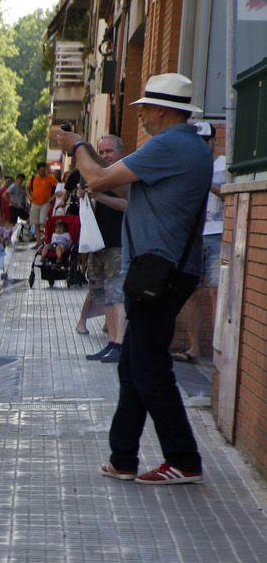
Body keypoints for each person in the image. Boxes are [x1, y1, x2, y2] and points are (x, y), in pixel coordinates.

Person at [52, 72, 212, 485]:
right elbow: (122, 186)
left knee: (149, 369)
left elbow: (99, 177)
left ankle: (184, 459)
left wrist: (78, 147)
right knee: (134, 365)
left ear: (160, 110)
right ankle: (123, 456)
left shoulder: (170, 144)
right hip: (163, 270)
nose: (141, 116)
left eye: (144, 109)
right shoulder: (185, 146)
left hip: (159, 273)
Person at [173, 121, 226, 363]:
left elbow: (228, 193)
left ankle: (218, 351)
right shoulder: (188, 165)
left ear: (214, 141)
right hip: (192, 235)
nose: (203, 146)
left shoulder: (224, 164)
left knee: (216, 293)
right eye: (199, 142)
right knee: (191, 293)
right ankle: (194, 349)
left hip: (216, 235)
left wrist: (207, 182)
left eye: (207, 141)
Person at [76, 135, 128, 358]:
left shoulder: (124, 176)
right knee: (104, 296)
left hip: (118, 243)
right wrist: (83, 197)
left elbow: (128, 206)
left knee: (117, 296)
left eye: (109, 151)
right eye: (101, 151)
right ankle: (111, 344)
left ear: (120, 153)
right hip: (98, 243)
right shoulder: (95, 176)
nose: (105, 155)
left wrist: (99, 196)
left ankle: (119, 344)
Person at [28, 162, 56, 241]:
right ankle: (38, 242)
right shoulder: (34, 178)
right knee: (36, 223)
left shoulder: (50, 178)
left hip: (45, 203)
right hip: (35, 203)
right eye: (41, 171)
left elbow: (58, 188)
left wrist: (52, 197)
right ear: (38, 170)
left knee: (43, 222)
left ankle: (45, 240)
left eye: (44, 171)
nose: (42, 172)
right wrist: (29, 196)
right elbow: (28, 188)